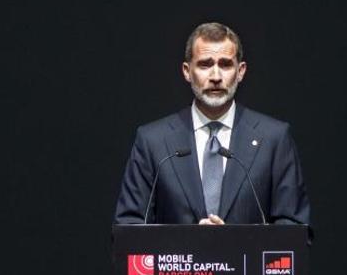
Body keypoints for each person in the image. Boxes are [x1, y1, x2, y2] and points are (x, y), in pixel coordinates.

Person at [114, 22, 311, 226]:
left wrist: (233, 244)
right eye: (205, 65)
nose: (216, 77)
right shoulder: (153, 142)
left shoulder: (273, 139)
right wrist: (192, 245)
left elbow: (294, 230)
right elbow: (129, 228)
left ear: (240, 71)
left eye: (225, 65)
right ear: (187, 71)